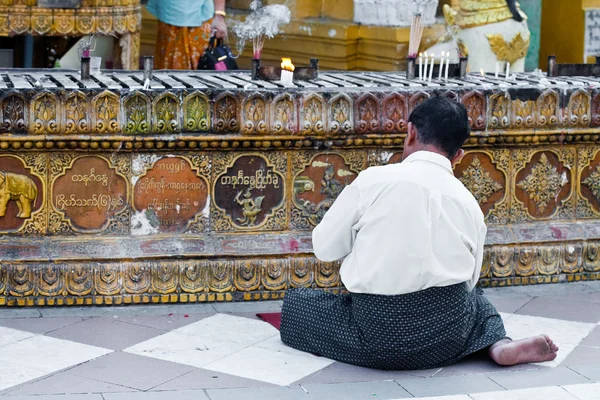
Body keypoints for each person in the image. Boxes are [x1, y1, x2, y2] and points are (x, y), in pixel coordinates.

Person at [280, 97, 559, 370]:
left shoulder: (373, 181)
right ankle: (498, 344)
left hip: (378, 335)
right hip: (449, 337)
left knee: (297, 304)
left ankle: (488, 342)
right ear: (458, 156)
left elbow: (325, 248)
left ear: (411, 132)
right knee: (476, 301)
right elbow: (471, 280)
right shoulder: (468, 203)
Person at [146, 0, 228, 70]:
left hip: (198, 20)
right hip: (167, 15)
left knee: (199, 75)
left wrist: (219, 15)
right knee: (166, 75)